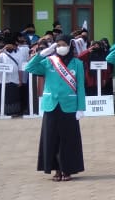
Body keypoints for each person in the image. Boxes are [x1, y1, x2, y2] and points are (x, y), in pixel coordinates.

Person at [25, 35, 87, 180]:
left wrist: (81, 107)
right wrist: (42, 54)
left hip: (69, 105)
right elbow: (29, 67)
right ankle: (56, 170)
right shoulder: (49, 61)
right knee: (51, 138)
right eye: (58, 45)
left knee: (68, 138)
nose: (61, 47)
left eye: (64, 44)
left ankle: (67, 169)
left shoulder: (77, 63)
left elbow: (81, 86)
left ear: (70, 46)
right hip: (51, 104)